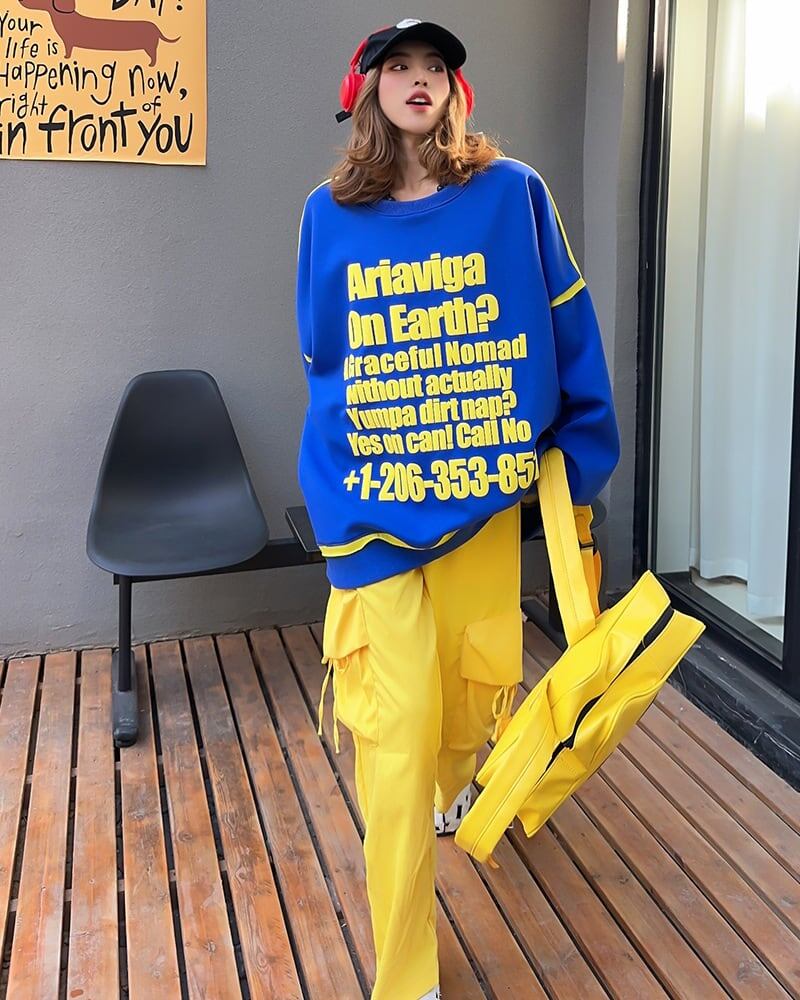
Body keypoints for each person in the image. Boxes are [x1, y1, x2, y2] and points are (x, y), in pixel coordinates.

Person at [294, 19, 621, 1000]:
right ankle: (406, 976)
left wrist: (578, 456)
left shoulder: (512, 194)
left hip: (480, 500)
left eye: (435, 66)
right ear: (366, 92)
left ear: (454, 90)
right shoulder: (326, 213)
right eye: (399, 67)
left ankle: (453, 784)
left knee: (470, 693)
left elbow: (566, 319)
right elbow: (325, 352)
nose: (419, 80)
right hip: (373, 511)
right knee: (393, 737)